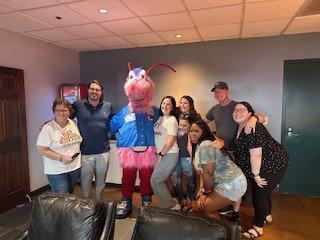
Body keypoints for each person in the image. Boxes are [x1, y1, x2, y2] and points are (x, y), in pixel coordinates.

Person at [233, 102, 289, 239]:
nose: (237, 112)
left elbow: (256, 154)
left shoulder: (252, 127)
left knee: (259, 194)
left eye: (242, 110)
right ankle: (267, 216)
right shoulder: (241, 126)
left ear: (250, 114)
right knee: (262, 191)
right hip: (260, 164)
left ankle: (258, 227)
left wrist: (256, 175)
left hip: (272, 163)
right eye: (235, 110)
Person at [190, 120, 247, 219]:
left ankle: (220, 232)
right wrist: (201, 190)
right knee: (200, 205)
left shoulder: (206, 145)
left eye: (196, 131)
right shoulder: (200, 144)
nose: (192, 134)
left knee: (202, 208)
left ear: (204, 132)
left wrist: (205, 193)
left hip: (231, 184)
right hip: (225, 181)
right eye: (191, 131)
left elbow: (209, 173)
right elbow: (204, 172)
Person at [72, 80, 114, 200]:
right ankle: (86, 206)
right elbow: (64, 117)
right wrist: (48, 123)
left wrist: (111, 133)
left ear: (101, 93)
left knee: (101, 182)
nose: (94, 91)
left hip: (103, 152)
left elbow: (115, 121)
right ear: (88, 90)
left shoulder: (108, 106)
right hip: (85, 152)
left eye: (97, 90)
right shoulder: (78, 105)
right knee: (85, 183)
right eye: (92, 89)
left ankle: (98, 205)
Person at [36, 98, 82, 194]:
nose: (61, 113)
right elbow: (41, 149)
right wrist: (61, 157)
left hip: (74, 167)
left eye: (64, 110)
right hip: (56, 170)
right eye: (57, 110)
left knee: (68, 195)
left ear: (69, 112)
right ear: (54, 112)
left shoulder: (73, 124)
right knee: (61, 200)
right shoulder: (48, 128)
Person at [204, 81, 261, 152]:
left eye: (220, 91)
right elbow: (202, 122)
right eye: (216, 92)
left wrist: (253, 119)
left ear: (227, 92)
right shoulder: (214, 109)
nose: (218, 94)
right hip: (221, 147)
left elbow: (260, 117)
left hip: (236, 148)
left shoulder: (237, 106)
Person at [151, 96, 181, 210]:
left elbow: (171, 140)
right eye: (163, 103)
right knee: (158, 180)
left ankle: (172, 206)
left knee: (156, 180)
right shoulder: (160, 119)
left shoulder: (172, 120)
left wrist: (161, 155)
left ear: (172, 107)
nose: (165, 106)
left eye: (168, 104)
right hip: (162, 153)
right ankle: (167, 203)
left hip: (170, 154)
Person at [170, 114, 196, 207]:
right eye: (180, 125)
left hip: (187, 159)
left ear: (189, 125)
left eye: (184, 125)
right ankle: (181, 196)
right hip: (175, 158)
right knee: (173, 177)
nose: (182, 127)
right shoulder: (175, 133)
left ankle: (190, 195)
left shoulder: (192, 134)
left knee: (189, 177)